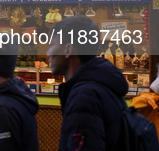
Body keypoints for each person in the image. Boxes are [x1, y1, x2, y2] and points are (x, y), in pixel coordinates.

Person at [47, 16, 129, 151]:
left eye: (52, 45)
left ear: (68, 50)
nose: (48, 53)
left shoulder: (84, 97)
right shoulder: (100, 86)